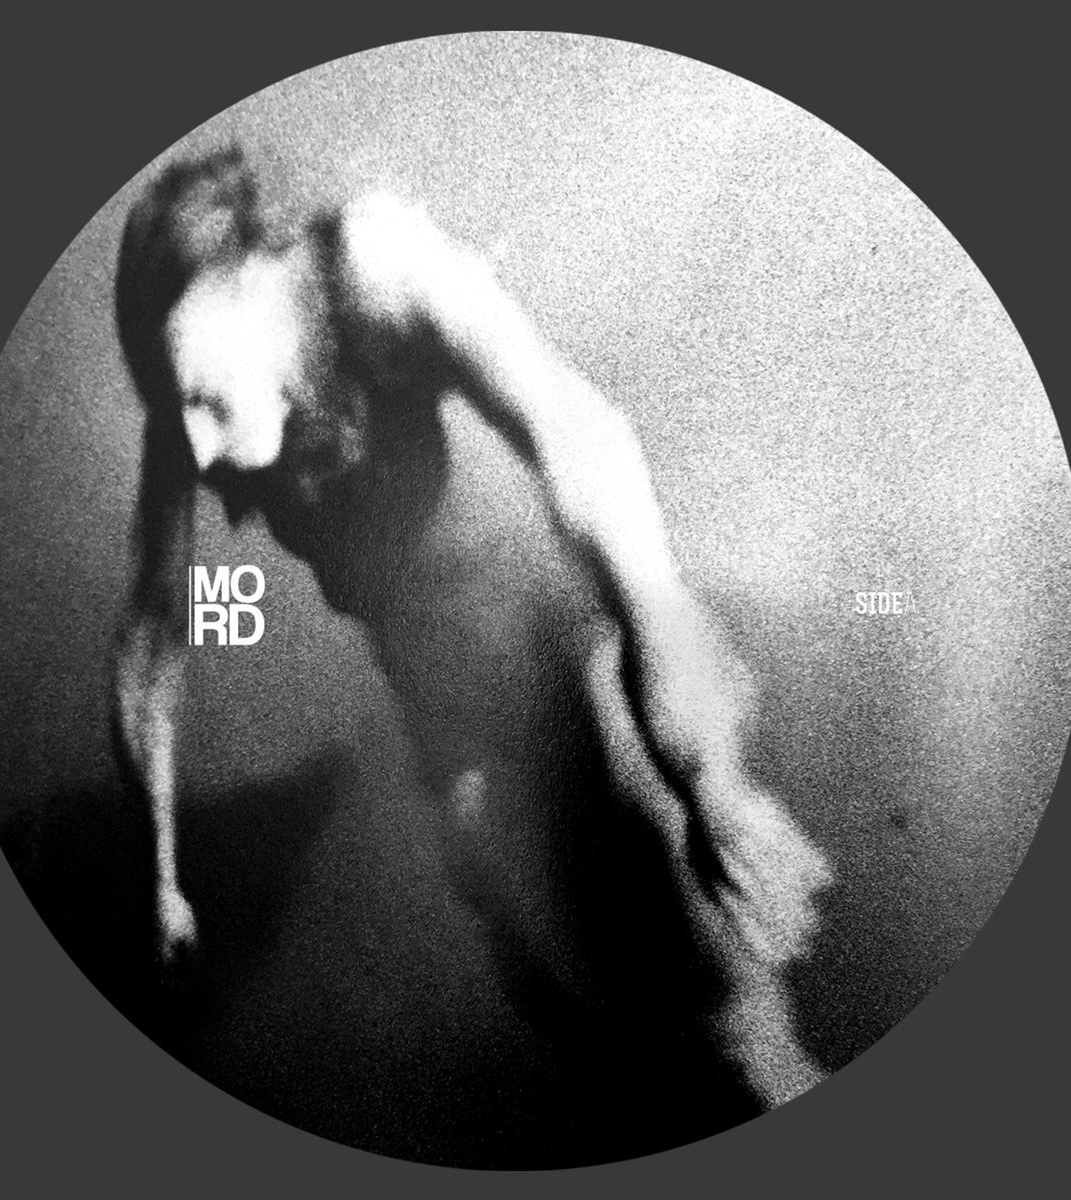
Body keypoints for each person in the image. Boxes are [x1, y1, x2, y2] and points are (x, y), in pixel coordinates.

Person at [112, 146, 832, 1111]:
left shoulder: (376, 271)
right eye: (177, 412)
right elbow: (153, 645)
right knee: (566, 995)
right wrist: (161, 874)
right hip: (450, 704)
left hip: (568, 624)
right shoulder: (189, 385)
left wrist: (705, 776)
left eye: (205, 400)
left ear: (255, 285)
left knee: (718, 988)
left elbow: (579, 437)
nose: (197, 449)